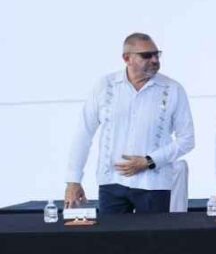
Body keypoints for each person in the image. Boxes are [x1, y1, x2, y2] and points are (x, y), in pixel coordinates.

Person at [65, 33, 195, 214]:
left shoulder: (173, 89)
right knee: (112, 241)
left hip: (153, 184)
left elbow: (187, 139)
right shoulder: (105, 86)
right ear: (127, 58)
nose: (155, 60)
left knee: (154, 241)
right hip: (111, 182)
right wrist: (73, 180)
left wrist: (149, 161)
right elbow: (84, 133)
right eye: (147, 55)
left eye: (157, 54)